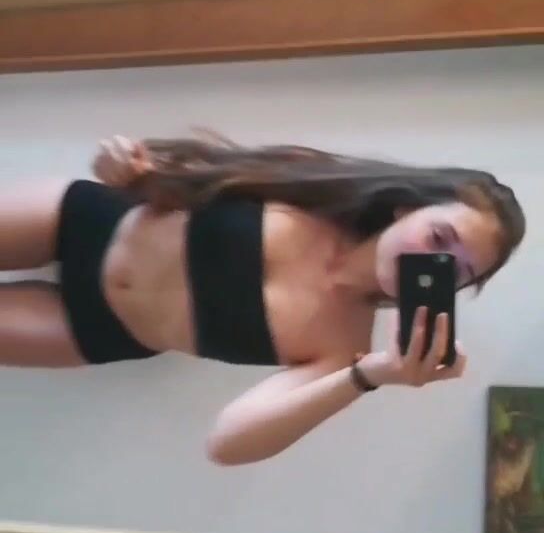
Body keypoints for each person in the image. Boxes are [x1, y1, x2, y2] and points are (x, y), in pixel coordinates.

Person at [0, 133, 525, 465]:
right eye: (439, 237)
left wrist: (371, 375)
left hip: (96, 328)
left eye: (457, 270)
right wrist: (125, 166)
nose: (436, 262)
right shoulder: (318, 185)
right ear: (407, 210)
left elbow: (226, 446)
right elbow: (179, 177)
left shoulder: (343, 349)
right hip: (82, 220)